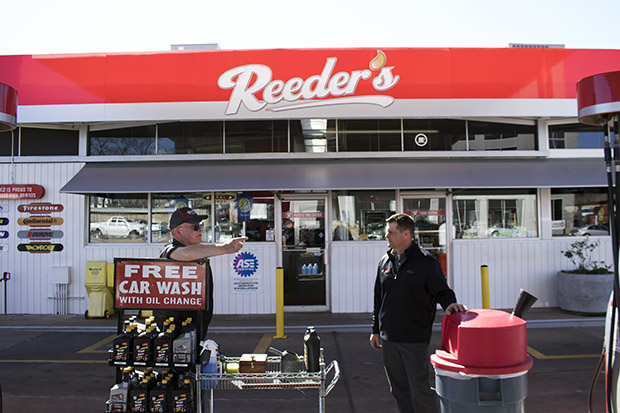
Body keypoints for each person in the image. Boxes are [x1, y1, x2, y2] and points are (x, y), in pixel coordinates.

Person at [370, 213, 467, 413]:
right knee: (398, 389)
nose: (386, 236)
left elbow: (442, 291)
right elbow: (378, 298)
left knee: (419, 390)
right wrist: (376, 329)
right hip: (389, 338)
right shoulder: (384, 262)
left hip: (413, 339)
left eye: (391, 232)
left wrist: (450, 305)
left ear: (406, 234)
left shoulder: (425, 262)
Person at [157, 207, 247, 338]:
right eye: (195, 227)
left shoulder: (197, 252)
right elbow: (183, 253)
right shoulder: (170, 250)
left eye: (201, 225)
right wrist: (226, 248)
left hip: (195, 328)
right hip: (172, 332)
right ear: (178, 231)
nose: (200, 230)